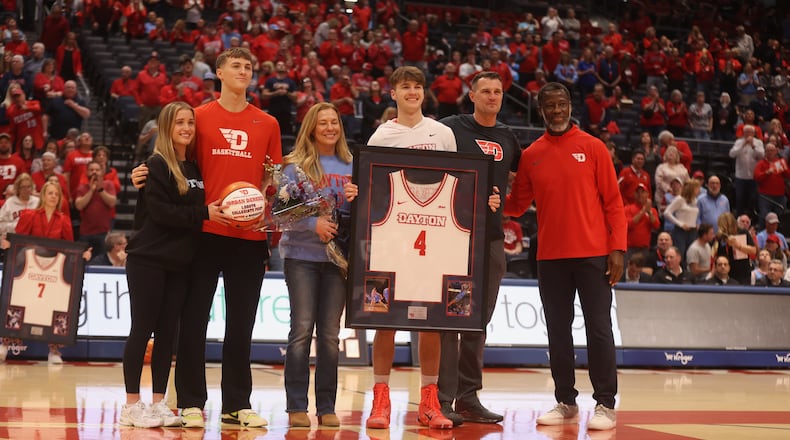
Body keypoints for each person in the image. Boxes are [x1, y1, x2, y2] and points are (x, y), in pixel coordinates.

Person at [132, 47, 282, 428]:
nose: (244, 71)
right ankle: (191, 403)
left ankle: (236, 404)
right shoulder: (198, 118)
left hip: (248, 237)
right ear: (218, 72)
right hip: (203, 233)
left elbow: (272, 179)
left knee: (241, 324)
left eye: (249, 66)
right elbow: (173, 158)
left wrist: (264, 201)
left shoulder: (267, 123)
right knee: (193, 321)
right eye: (236, 65)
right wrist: (144, 173)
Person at [504, 82, 625, 431]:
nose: (557, 111)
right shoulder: (531, 155)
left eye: (562, 104)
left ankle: (605, 403)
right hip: (551, 257)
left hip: (594, 256)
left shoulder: (594, 147)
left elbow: (614, 204)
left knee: (599, 329)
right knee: (558, 331)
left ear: (570, 106)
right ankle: (565, 400)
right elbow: (517, 205)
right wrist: (491, 191)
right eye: (550, 106)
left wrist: (617, 249)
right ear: (540, 110)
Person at [121, 101, 230, 428]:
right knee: (142, 330)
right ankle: (130, 404)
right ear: (167, 128)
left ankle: (157, 404)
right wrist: (205, 213)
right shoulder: (155, 165)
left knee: (168, 334)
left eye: (190, 123)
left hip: (180, 262)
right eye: (179, 122)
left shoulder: (195, 169)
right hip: (148, 259)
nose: (186, 128)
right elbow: (162, 214)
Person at [362, 66, 458, 430]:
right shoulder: (382, 136)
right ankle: (381, 397)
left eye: (417, 86)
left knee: (430, 320)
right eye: (405, 87)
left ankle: (429, 400)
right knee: (385, 320)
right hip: (392, 239)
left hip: (433, 237)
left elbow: (459, 184)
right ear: (393, 94)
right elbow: (372, 188)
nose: (412, 92)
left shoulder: (442, 133)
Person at [438, 71, 520, 426]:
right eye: (485, 91)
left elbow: (517, 182)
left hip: (490, 241)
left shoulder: (508, 137)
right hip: (454, 239)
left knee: (477, 323)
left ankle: (469, 397)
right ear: (471, 95)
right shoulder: (448, 129)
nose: (491, 96)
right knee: (450, 319)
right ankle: (441, 398)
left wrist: (504, 200)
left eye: (497, 92)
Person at [279, 103, 353, 428]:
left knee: (330, 337)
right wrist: (313, 225)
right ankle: (296, 405)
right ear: (311, 127)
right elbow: (280, 211)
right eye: (322, 123)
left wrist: (359, 196)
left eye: (333, 122)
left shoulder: (353, 165)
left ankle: (326, 406)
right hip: (301, 258)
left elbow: (362, 215)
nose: (329, 128)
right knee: (301, 331)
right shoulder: (295, 166)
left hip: (337, 261)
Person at [0, 181, 90, 364]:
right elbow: (19, 240)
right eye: (50, 193)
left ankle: (54, 351)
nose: (53, 196)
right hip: (29, 268)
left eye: (56, 194)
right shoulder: (29, 215)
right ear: (43, 195)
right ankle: (5, 343)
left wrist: (82, 255)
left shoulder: (64, 220)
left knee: (55, 307)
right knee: (19, 303)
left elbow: (69, 246)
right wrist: (9, 245)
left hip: (54, 273)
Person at [74, 161, 116, 255]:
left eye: (97, 170)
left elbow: (112, 202)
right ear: (87, 172)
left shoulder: (108, 184)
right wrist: (91, 190)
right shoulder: (82, 188)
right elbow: (79, 205)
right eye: (91, 170)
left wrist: (100, 190)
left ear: (102, 172)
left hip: (103, 232)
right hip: (86, 233)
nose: (94, 172)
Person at [729, 124, 764, 217]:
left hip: (753, 177)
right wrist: (743, 144)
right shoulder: (739, 142)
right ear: (743, 133)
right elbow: (732, 154)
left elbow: (762, 156)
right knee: (739, 199)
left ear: (753, 133)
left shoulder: (758, 142)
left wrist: (753, 145)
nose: (748, 134)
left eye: (750, 132)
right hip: (740, 176)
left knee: (752, 200)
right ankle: (739, 219)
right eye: (746, 132)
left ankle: (750, 220)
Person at [714, 212, 757, 285]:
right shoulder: (720, 237)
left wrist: (738, 245)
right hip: (727, 271)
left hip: (742, 271)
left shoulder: (743, 232)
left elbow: (753, 250)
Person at [663, 180, 700, 258]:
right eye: (697, 188)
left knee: (691, 254)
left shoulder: (695, 200)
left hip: (692, 231)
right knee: (680, 253)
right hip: (681, 231)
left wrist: (696, 223)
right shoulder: (680, 199)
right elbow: (667, 213)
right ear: (692, 189)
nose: (699, 190)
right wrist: (680, 223)